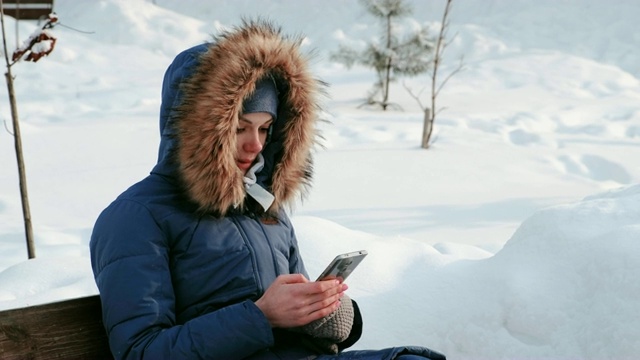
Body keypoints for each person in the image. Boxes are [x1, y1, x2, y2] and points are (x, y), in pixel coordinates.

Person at [90, 19, 446, 360]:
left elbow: (295, 314)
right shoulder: (136, 217)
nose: (255, 145)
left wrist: (324, 313)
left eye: (265, 129)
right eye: (239, 129)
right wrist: (261, 317)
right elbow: (142, 350)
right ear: (198, 130)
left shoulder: (264, 208)